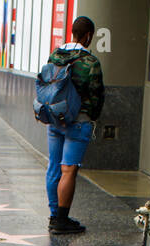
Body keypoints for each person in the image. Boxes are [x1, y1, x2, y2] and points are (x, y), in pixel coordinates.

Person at [43, 16, 104, 233]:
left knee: (54, 167)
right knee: (68, 169)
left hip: (55, 118)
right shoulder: (90, 62)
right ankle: (62, 220)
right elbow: (97, 96)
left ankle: (53, 216)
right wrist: (91, 116)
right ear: (88, 36)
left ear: (72, 32)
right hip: (78, 122)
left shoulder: (56, 55)